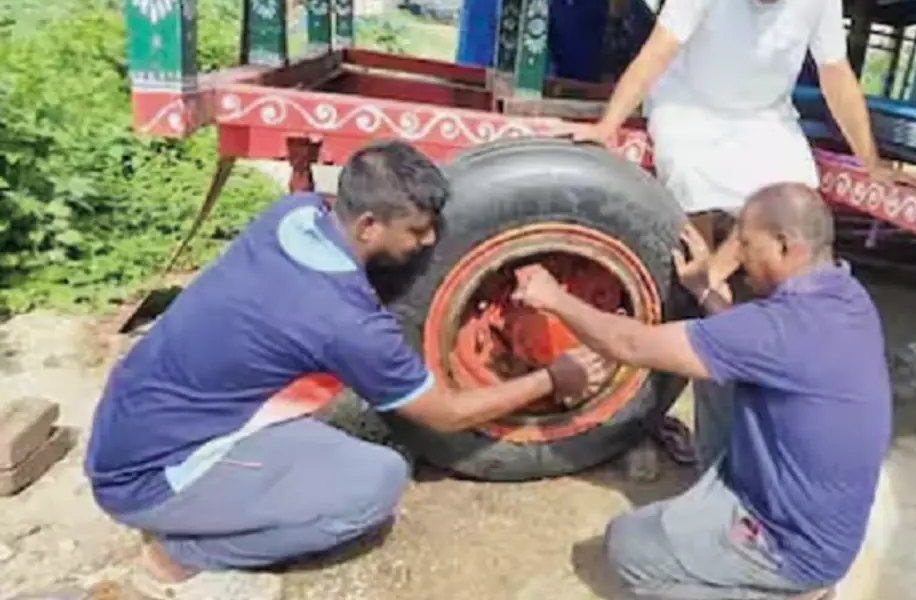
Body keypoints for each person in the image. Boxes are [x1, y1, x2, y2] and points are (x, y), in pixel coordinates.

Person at [83, 140, 610, 600]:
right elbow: (445, 415)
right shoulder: (342, 321)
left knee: (333, 443)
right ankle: (184, 553)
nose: (428, 242)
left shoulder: (292, 214)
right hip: (151, 475)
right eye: (419, 231)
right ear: (368, 225)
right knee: (373, 484)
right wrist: (550, 378)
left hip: (134, 417)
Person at [512, 182, 894, 599]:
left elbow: (631, 345)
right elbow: (746, 344)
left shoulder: (778, 329)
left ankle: (794, 594)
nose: (740, 256)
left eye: (746, 243)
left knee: (629, 547)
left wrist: (554, 299)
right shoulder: (846, 296)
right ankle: (717, 511)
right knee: (715, 375)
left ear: (784, 246)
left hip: (791, 548)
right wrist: (703, 291)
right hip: (821, 516)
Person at [550, 0, 913, 284]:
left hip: (764, 115)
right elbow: (657, 52)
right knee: (690, 178)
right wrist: (607, 127)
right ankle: (696, 286)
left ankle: (712, 282)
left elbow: (837, 76)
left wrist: (872, 162)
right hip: (688, 102)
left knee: (794, 197)